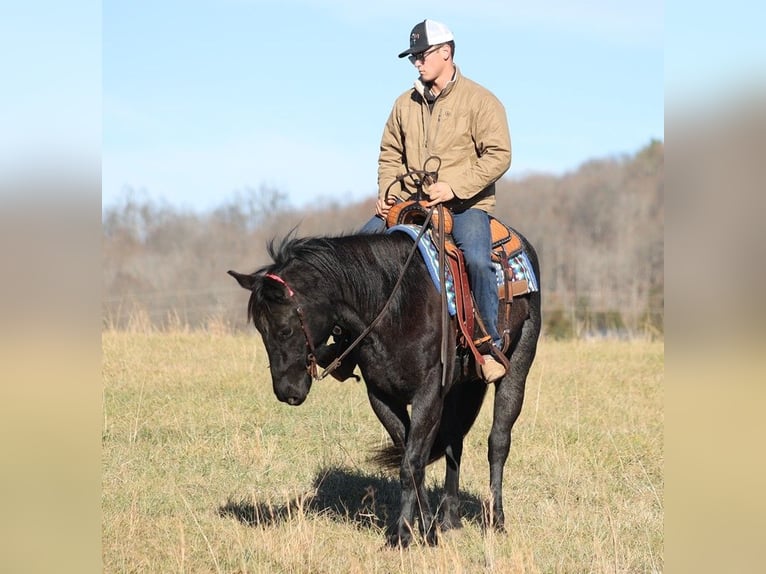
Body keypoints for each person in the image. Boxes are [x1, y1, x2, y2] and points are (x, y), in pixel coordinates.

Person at [360, 19, 512, 383]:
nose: (417, 62)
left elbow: (499, 155)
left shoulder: (481, 100)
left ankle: (486, 345)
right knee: (359, 250)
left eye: (422, 55)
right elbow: (389, 154)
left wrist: (454, 187)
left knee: (475, 259)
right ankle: (354, 341)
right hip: (409, 206)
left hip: (465, 208)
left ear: (446, 53)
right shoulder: (403, 104)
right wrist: (388, 195)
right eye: (413, 57)